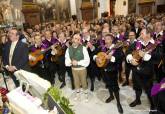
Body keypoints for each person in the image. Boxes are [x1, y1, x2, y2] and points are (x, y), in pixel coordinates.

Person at [126, 28, 155, 112]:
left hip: (147, 72)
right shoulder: (137, 43)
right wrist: (131, 59)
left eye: (142, 33)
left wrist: (145, 56)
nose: (140, 35)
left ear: (148, 35)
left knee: (149, 90)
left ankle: (153, 105)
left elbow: (158, 57)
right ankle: (138, 100)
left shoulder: (155, 44)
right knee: (137, 87)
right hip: (136, 71)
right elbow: (128, 52)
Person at [94, 34, 123, 114]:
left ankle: (118, 103)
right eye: (105, 39)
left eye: (108, 39)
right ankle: (111, 96)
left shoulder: (116, 47)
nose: (106, 41)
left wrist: (112, 58)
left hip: (112, 71)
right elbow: (94, 54)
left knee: (115, 87)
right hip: (103, 70)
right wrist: (97, 58)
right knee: (108, 84)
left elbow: (121, 57)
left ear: (112, 40)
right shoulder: (102, 47)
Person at [65, 33, 90, 101]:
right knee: (76, 82)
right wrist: (71, 62)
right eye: (75, 38)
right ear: (72, 39)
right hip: (73, 69)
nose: (77, 40)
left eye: (78, 39)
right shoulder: (68, 49)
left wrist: (78, 62)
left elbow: (87, 61)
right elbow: (67, 61)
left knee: (84, 82)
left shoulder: (83, 48)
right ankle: (78, 94)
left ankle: (86, 95)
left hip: (82, 69)